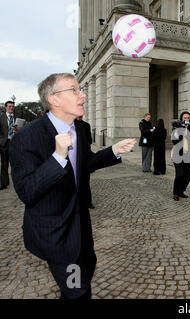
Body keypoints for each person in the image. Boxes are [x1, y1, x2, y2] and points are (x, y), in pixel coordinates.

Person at [9, 73, 136, 299]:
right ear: (54, 99)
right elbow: (27, 192)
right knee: (78, 290)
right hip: (55, 233)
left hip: (80, 225)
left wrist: (114, 150)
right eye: (74, 90)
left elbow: (85, 164)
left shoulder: (78, 130)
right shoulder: (26, 137)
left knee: (84, 275)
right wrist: (58, 157)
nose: (82, 94)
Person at [171, 111, 190, 201]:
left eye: (188, 118)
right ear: (181, 119)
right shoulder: (176, 127)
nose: (186, 119)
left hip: (188, 155)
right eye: (185, 118)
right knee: (179, 174)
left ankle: (181, 191)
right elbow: (174, 141)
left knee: (187, 176)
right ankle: (175, 193)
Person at [76, 115, 95, 209]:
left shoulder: (86, 125)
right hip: (75, 156)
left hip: (85, 155)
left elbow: (89, 139)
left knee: (85, 182)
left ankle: (88, 202)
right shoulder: (72, 124)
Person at [0, 101, 18, 190]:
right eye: (10, 106)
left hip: (14, 143)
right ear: (6, 107)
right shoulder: (1, 118)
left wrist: (18, 129)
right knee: (4, 164)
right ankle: (4, 183)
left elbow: (22, 130)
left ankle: (18, 182)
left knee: (16, 164)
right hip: (4, 144)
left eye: (13, 106)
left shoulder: (16, 118)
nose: (11, 108)